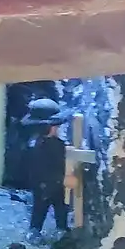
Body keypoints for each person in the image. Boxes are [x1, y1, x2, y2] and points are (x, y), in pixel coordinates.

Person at [20, 98, 74, 238]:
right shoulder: (40, 146)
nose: (57, 129)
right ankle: (35, 230)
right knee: (41, 207)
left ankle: (60, 228)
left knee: (58, 206)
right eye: (55, 126)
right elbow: (38, 167)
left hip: (53, 182)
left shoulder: (42, 143)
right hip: (45, 183)